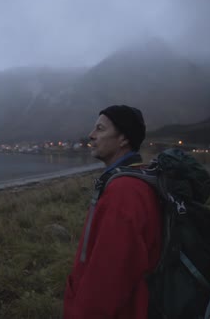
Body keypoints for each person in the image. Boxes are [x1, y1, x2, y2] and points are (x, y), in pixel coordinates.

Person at [63, 105, 163, 318]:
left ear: (123, 139)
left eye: (100, 129)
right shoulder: (134, 179)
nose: (91, 135)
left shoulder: (124, 192)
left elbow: (107, 280)